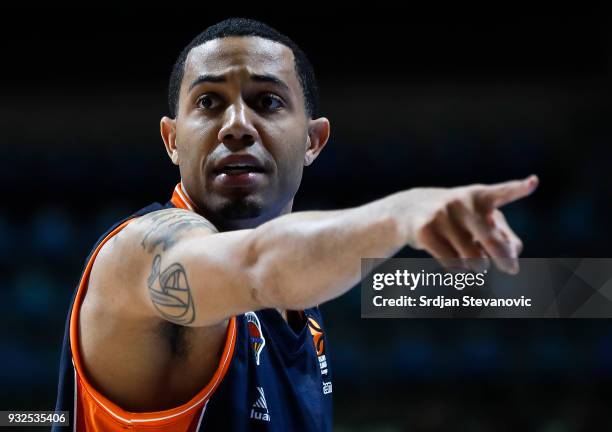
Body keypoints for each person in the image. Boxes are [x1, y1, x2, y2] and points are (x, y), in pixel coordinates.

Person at [53, 17, 538, 431]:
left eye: (267, 101)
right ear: (171, 139)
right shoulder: (142, 254)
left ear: (313, 141)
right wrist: (403, 212)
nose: (236, 125)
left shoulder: (305, 304)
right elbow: (260, 264)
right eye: (208, 102)